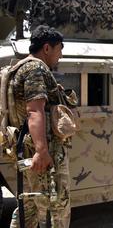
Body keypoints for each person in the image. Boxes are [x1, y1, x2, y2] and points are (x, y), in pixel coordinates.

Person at [9, 25, 70, 228]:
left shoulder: (20, 66)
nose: (60, 55)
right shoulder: (36, 68)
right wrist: (41, 151)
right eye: (59, 49)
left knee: (30, 204)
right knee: (57, 206)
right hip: (42, 150)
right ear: (47, 48)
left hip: (25, 147)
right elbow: (34, 110)